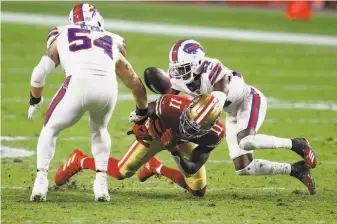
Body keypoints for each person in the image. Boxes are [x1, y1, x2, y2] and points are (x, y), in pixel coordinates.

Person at [151, 39, 317, 195]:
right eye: (175, 68)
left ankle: (297, 144)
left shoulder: (212, 68)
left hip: (249, 100)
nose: (177, 73)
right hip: (231, 111)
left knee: (246, 141)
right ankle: (295, 169)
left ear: (197, 63)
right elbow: (166, 101)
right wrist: (143, 114)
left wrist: (190, 126)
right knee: (244, 167)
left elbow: (215, 105)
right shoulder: (178, 77)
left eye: (183, 68)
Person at [28, 3, 148, 202]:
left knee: (50, 128)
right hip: (108, 89)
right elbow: (136, 84)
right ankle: (101, 186)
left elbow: (39, 73)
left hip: (77, 85)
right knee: (100, 129)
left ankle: (40, 182)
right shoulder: (111, 40)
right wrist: (142, 112)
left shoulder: (62, 35)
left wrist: (35, 99)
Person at [55, 93, 225, 197]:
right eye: (188, 121)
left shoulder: (215, 135)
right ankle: (80, 160)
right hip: (156, 134)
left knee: (197, 190)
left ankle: (156, 168)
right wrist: (138, 125)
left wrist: (174, 150)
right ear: (190, 106)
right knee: (122, 172)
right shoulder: (171, 105)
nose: (187, 127)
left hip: (180, 143)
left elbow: (191, 167)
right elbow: (143, 111)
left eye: (195, 127)